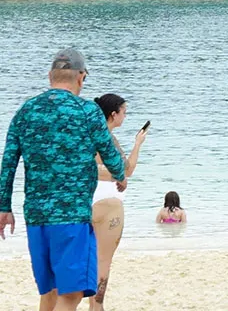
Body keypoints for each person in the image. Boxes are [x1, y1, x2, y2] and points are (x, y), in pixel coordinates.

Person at [0, 49, 126, 311]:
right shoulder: (88, 111)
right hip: (71, 216)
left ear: (50, 76)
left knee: (50, 293)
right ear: (81, 78)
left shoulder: (26, 111)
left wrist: (4, 207)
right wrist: (120, 176)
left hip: (36, 217)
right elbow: (111, 156)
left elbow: (8, 163)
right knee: (71, 295)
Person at [89, 93, 148, 311]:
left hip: (87, 200)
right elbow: (125, 171)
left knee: (87, 259)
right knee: (103, 261)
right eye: (124, 112)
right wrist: (116, 174)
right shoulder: (105, 139)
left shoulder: (90, 135)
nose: (125, 116)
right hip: (107, 203)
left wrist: (137, 143)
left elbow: (125, 171)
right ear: (113, 114)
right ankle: (97, 307)